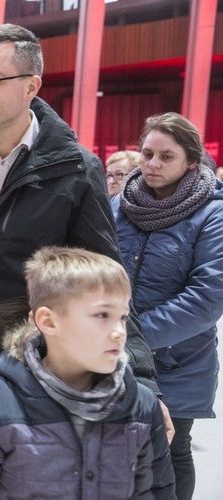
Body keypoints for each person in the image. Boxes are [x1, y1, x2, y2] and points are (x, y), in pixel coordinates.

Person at [0, 23, 160, 431]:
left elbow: (106, 280)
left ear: (31, 86)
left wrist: (142, 384)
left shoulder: (75, 170)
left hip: (37, 373)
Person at [0, 246, 175, 499]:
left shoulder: (142, 405)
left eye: (123, 317)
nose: (120, 331)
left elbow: (155, 491)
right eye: (102, 314)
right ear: (48, 321)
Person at [113, 112, 223, 500]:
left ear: (192, 161)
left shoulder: (213, 213)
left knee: (171, 451)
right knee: (117, 451)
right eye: (147, 154)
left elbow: (207, 299)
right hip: (115, 353)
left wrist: (129, 334)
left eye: (166, 156)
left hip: (179, 361)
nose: (152, 164)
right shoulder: (119, 205)